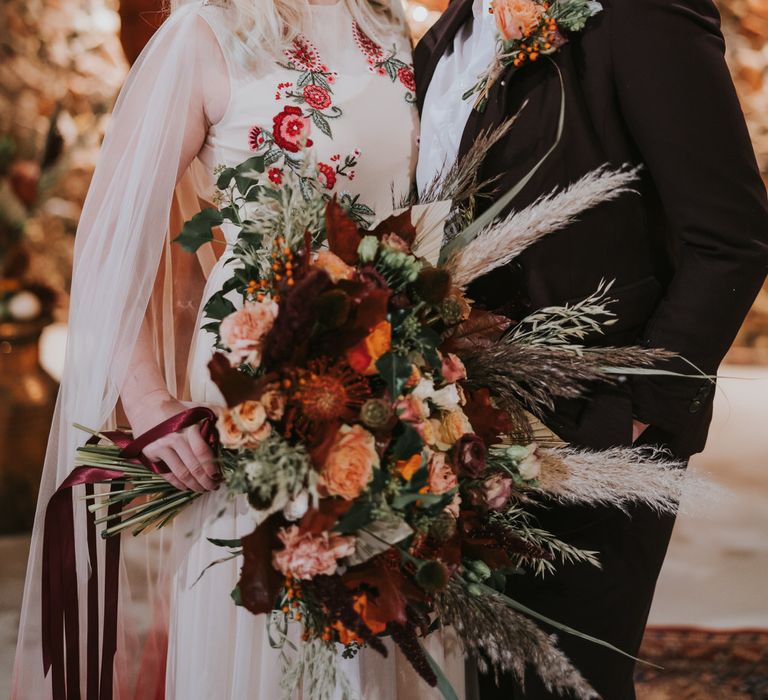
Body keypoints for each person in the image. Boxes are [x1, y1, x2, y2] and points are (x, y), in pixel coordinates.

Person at [13, 1, 465, 697]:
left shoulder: (389, 26)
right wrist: (149, 400)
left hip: (388, 369)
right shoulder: (204, 32)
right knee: (267, 623)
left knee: (382, 623)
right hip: (250, 383)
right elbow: (113, 236)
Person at [415, 0, 768, 697]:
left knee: (570, 684)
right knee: (491, 681)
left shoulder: (642, 14)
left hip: (592, 429)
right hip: (457, 424)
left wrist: (634, 410)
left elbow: (731, 241)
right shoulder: (446, 33)